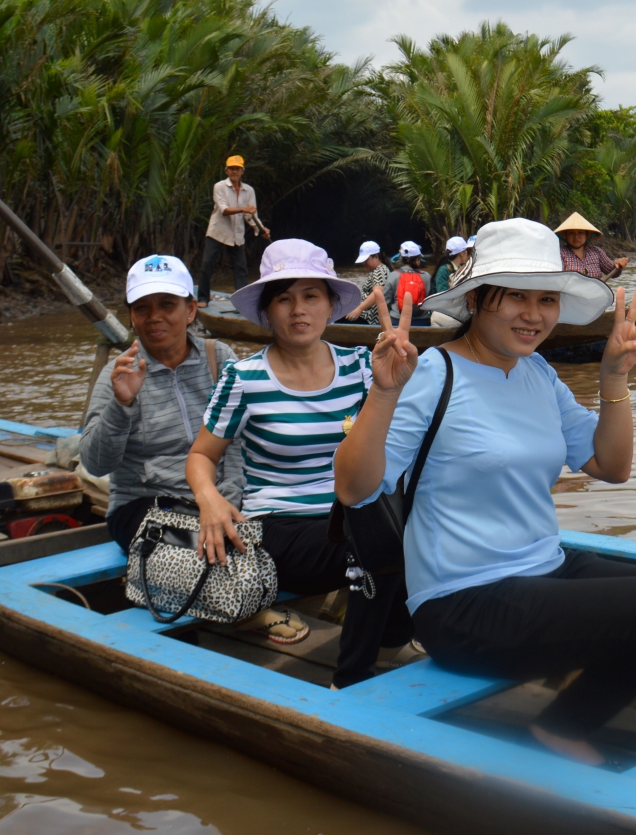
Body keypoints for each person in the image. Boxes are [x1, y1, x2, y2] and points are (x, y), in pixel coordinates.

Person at [334, 218, 636, 764]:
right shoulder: (433, 372)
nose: (534, 315)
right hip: (461, 601)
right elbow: (353, 489)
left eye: (546, 299)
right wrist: (383, 394)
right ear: (478, 300)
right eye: (516, 298)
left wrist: (614, 376)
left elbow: (611, 465)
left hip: (541, 569)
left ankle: (565, 724)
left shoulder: (539, 375)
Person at [186, 240, 410, 677]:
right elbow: (201, 455)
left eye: (311, 296)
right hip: (279, 526)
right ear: (268, 312)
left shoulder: (365, 368)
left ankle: (397, 633)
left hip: (352, 515)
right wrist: (208, 498)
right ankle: (353, 676)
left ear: (330, 305)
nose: (298, 310)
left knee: (411, 526)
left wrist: (395, 386)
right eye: (284, 299)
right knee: (375, 545)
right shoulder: (244, 378)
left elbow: (399, 447)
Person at [79, 255, 241, 552]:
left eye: (167, 304)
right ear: (132, 316)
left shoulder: (219, 359)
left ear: (190, 309)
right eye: (143, 307)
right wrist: (121, 405)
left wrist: (226, 502)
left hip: (217, 498)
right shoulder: (118, 376)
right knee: (205, 551)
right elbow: (95, 465)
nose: (154, 316)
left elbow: (237, 444)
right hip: (143, 506)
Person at [197, 155, 270, 304]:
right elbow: (223, 209)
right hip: (218, 232)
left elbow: (251, 215)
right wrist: (243, 209)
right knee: (206, 265)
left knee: (241, 269)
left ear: (242, 171)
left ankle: (241, 302)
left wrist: (261, 229)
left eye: (237, 169)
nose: (234, 171)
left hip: (237, 234)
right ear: (226, 171)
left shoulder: (248, 190)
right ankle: (203, 298)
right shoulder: (219, 187)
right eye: (231, 169)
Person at [555, 213, 627, 279]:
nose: (576, 236)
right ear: (565, 236)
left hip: (595, 292)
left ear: (587, 235)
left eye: (580, 232)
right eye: (571, 233)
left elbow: (613, 273)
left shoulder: (596, 252)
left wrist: (619, 264)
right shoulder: (560, 253)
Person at [341, 241, 389, 324]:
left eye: (366, 260)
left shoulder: (380, 271)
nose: (363, 263)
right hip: (366, 314)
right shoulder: (379, 270)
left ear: (376, 257)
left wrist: (359, 309)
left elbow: (377, 293)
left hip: (369, 317)